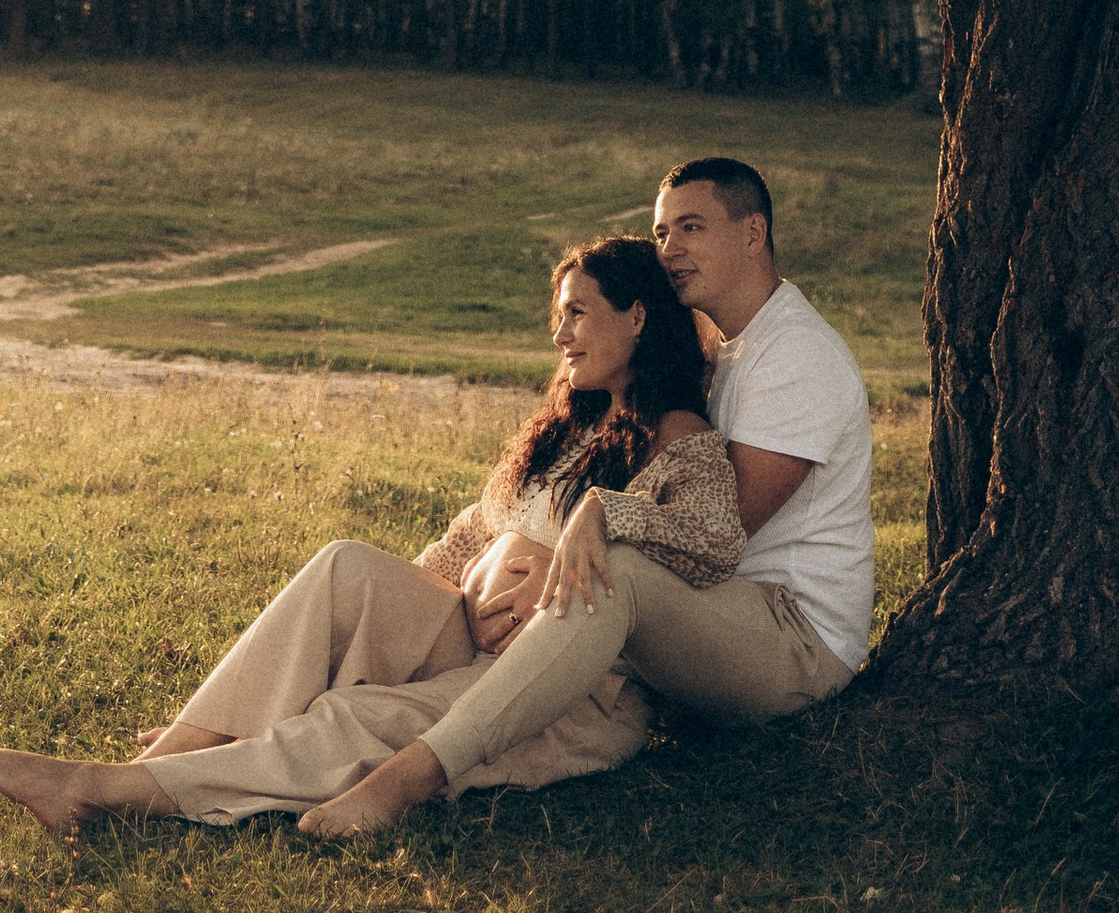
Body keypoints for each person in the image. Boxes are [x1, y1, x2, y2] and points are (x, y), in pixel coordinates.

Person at [0, 234, 743, 833]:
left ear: (636, 316)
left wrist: (601, 518)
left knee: (353, 722)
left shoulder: (679, 438)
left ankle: (106, 795)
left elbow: (713, 538)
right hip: (471, 632)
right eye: (557, 313)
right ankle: (169, 755)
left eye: (577, 313)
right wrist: (441, 597)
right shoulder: (569, 427)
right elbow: (477, 529)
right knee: (346, 569)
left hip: (574, 691)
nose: (559, 333)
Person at [289, 155, 871, 838]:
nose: (671, 249)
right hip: (708, 613)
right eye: (661, 233)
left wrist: (575, 541)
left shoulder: (797, 356)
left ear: (753, 234)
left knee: (611, 573)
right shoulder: (721, 346)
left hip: (792, 636)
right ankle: (259, 731)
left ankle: (406, 781)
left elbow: (720, 531)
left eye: (692, 227)